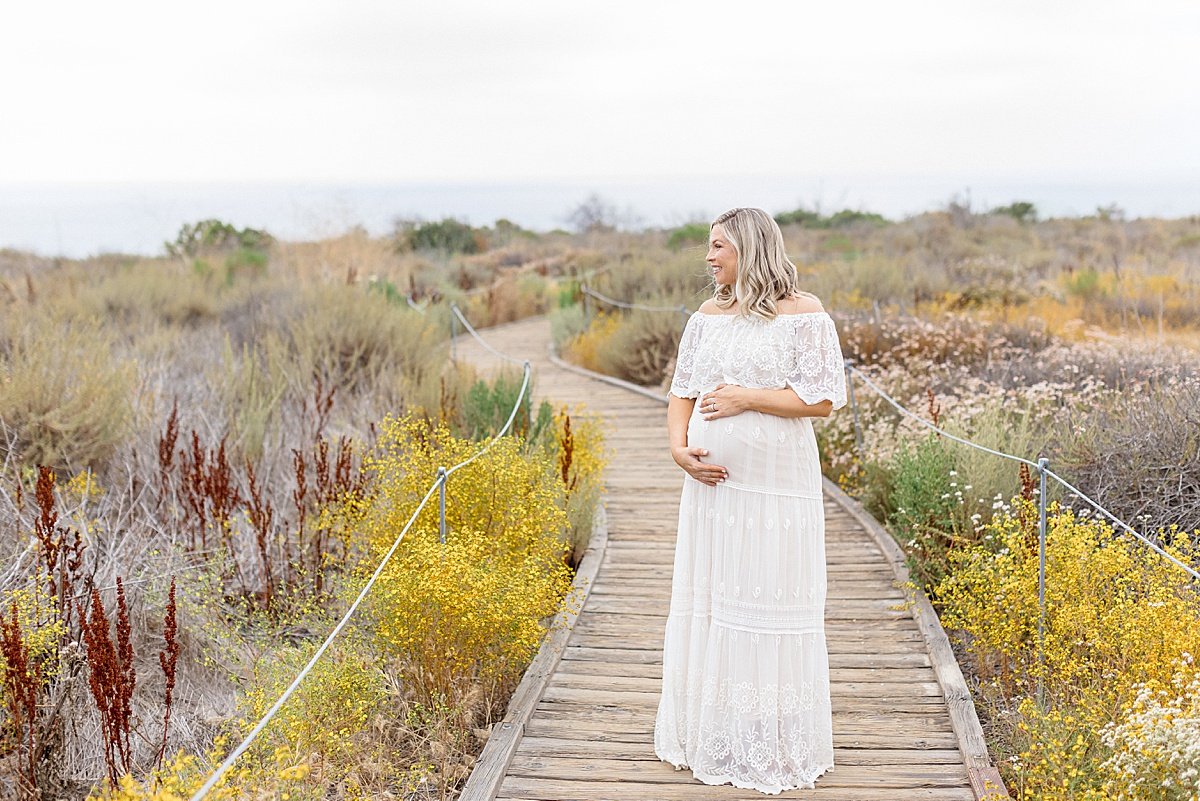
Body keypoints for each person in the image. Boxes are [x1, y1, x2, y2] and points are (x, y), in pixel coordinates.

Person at [653, 207, 847, 794]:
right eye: (708, 247)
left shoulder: (805, 314)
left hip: (780, 489)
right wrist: (678, 450)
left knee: (769, 593)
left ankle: (772, 735)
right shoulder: (706, 317)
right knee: (717, 596)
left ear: (751, 248)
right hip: (713, 489)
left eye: (718, 246)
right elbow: (682, 393)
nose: (709, 257)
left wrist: (747, 399)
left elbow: (821, 402)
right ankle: (713, 728)